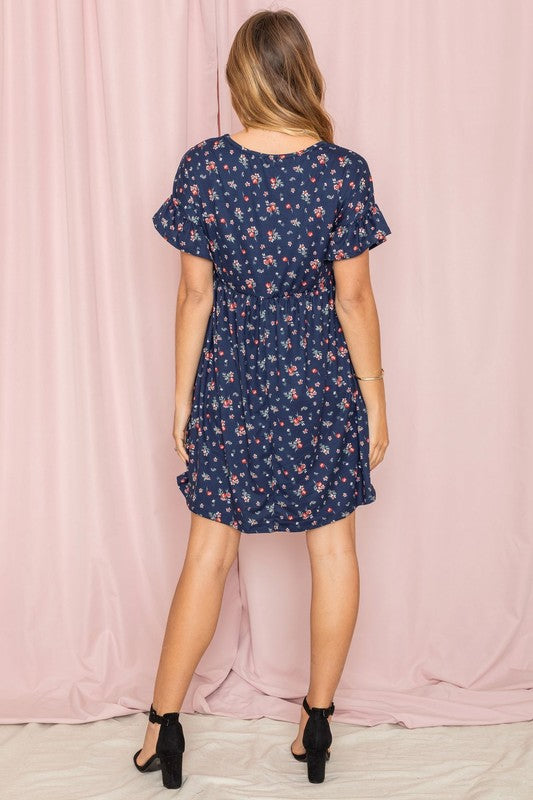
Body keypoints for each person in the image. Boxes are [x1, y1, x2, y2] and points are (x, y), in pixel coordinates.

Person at [133, 8, 391, 789]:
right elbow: (353, 301)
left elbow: (191, 296)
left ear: (240, 77)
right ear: (302, 72)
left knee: (207, 557)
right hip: (318, 384)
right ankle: (316, 727)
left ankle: (162, 729)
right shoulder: (342, 171)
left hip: (233, 385)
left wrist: (179, 398)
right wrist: (376, 401)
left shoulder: (204, 167)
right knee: (334, 552)